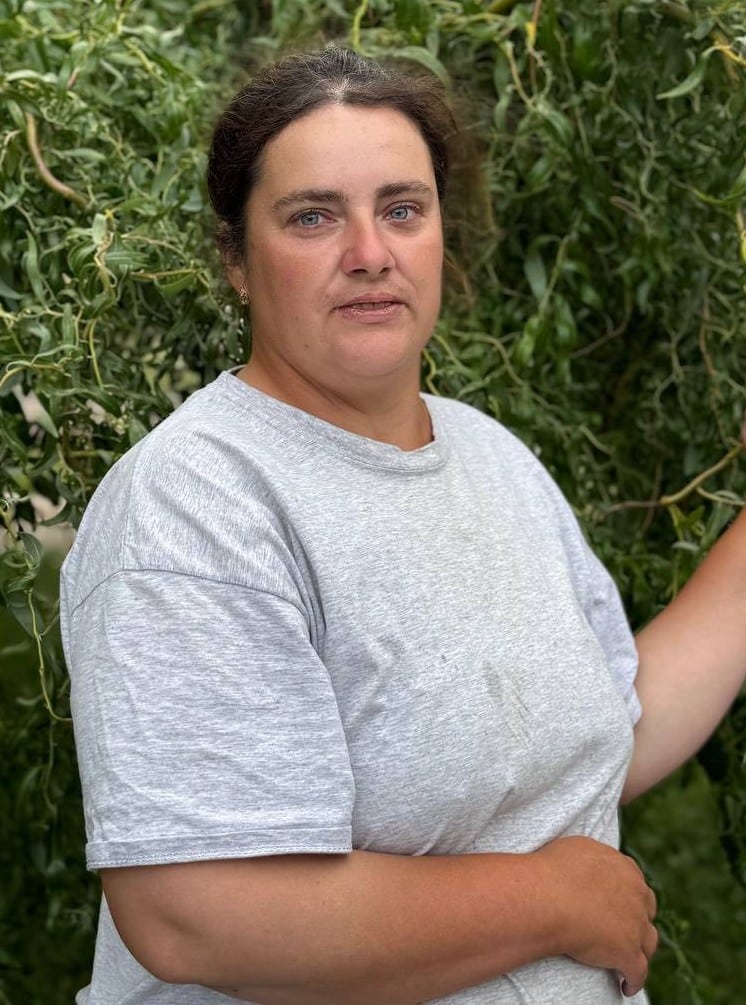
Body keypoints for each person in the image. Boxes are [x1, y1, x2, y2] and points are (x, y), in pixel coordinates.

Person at [60, 47, 746, 1005]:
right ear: (235, 260)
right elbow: (195, 912)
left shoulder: (488, 455)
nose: (370, 253)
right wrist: (556, 900)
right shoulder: (197, 503)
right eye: (312, 216)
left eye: (402, 209)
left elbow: (591, 742)